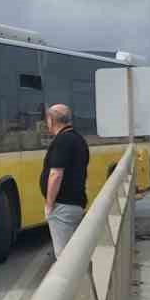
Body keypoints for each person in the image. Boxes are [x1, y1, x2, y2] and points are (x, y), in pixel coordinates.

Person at [41, 103, 90, 258]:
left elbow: (56, 174)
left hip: (62, 207)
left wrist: (49, 205)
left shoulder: (62, 140)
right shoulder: (78, 139)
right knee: (74, 255)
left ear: (51, 120)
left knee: (64, 257)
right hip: (75, 204)